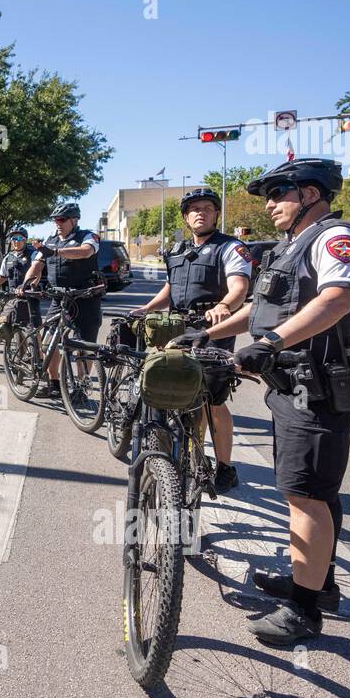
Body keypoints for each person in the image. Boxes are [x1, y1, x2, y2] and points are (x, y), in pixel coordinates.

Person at [172, 158, 350, 646]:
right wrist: (207, 331)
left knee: (306, 493)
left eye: (279, 195)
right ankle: (317, 581)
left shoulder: (335, 238)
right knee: (309, 491)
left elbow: (336, 300)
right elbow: (260, 310)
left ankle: (304, 612)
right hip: (291, 384)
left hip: (320, 385)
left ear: (310, 195)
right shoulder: (288, 247)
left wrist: (271, 345)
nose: (269, 205)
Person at [131, 188, 250, 493]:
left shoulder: (230, 248)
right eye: (194, 209)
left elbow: (239, 285)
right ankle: (172, 448)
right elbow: (171, 288)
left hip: (212, 332)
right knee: (166, 382)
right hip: (175, 329)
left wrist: (224, 306)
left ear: (216, 215)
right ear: (186, 217)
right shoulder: (180, 249)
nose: (201, 213)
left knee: (213, 399)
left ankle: (225, 466)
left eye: (208, 208)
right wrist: (147, 308)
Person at [24, 203, 103, 400]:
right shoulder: (50, 241)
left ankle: (82, 388)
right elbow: (36, 265)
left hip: (85, 298)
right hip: (59, 299)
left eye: (61, 219)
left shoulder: (87, 236)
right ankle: (55, 385)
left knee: (84, 346)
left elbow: (85, 252)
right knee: (48, 343)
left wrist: (56, 252)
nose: (57, 223)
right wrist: (25, 282)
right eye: (55, 220)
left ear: (74, 220)